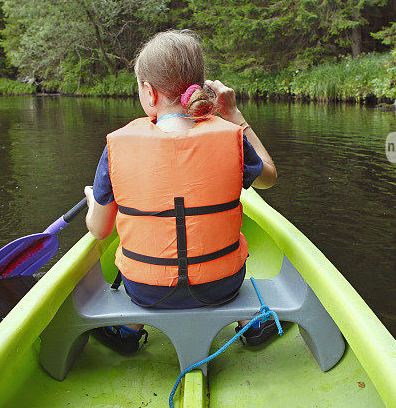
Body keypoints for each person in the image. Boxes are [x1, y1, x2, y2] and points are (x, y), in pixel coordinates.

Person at [83, 30, 277, 354]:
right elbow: (269, 177)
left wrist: (93, 201)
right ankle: (250, 323)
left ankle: (129, 330)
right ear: (199, 87)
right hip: (222, 285)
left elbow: (99, 229)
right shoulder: (230, 136)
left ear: (149, 92)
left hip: (146, 291)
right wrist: (235, 116)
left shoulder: (116, 147)